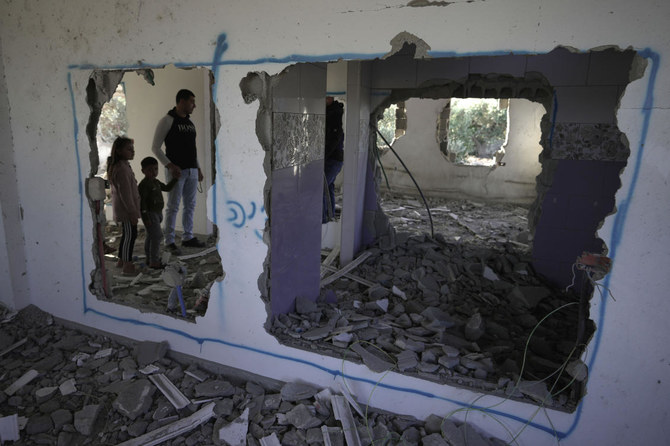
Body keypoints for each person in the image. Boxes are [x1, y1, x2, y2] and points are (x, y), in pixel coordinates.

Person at [151, 89, 205, 255]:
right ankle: (169, 241)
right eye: (191, 102)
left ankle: (188, 237)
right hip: (176, 172)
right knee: (173, 206)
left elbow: (191, 149)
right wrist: (170, 166)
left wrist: (198, 168)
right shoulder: (167, 120)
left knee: (190, 205)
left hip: (192, 171)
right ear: (181, 101)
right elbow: (155, 147)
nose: (194, 106)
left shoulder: (190, 123)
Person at [108, 136, 141, 275]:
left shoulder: (123, 165)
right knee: (130, 235)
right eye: (129, 149)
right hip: (127, 210)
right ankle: (127, 265)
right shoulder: (121, 168)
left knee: (127, 234)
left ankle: (121, 260)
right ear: (119, 151)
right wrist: (132, 212)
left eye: (133, 149)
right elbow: (125, 194)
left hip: (126, 209)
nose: (132, 151)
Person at [138, 156, 178, 269]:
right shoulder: (144, 185)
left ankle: (149, 258)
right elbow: (142, 202)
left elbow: (166, 188)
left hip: (157, 213)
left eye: (156, 169)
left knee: (151, 236)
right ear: (143, 171)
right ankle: (154, 261)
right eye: (150, 170)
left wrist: (175, 179)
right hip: (150, 214)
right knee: (157, 236)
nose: (154, 172)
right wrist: (145, 217)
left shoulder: (155, 182)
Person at [323, 96, 344, 223]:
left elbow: (333, 140)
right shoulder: (332, 113)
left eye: (326, 98)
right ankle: (329, 216)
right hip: (335, 159)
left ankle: (323, 219)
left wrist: (322, 156)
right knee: (328, 186)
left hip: (332, 159)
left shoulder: (334, 115)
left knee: (321, 187)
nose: (324, 100)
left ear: (331, 99)